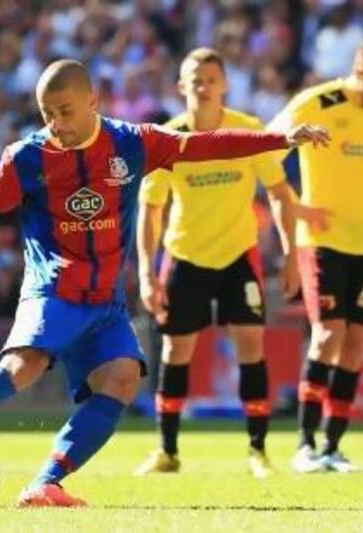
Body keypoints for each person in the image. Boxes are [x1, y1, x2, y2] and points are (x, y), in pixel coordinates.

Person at [0, 59, 328, 507]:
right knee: (20, 371)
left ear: (93, 102)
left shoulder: (132, 143)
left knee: (122, 379)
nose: (57, 124)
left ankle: (46, 484)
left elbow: (203, 145)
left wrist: (280, 139)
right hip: (53, 293)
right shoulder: (27, 157)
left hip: (106, 303)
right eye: (47, 114)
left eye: (65, 112)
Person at [133, 48, 300, 479]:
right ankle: (167, 451)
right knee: (176, 350)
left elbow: (280, 193)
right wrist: (146, 273)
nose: (204, 86)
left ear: (225, 84)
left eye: (211, 78)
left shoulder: (248, 131)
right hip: (186, 256)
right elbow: (150, 210)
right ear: (181, 87)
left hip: (238, 255)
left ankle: (258, 451)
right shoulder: (167, 139)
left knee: (251, 344)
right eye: (195, 79)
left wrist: (291, 255)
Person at [268, 33, 363, 473]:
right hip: (322, 241)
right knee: (328, 334)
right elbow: (266, 149)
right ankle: (304, 445)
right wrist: (296, 204)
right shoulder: (317, 102)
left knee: (356, 342)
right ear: (361, 72)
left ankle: (333, 446)